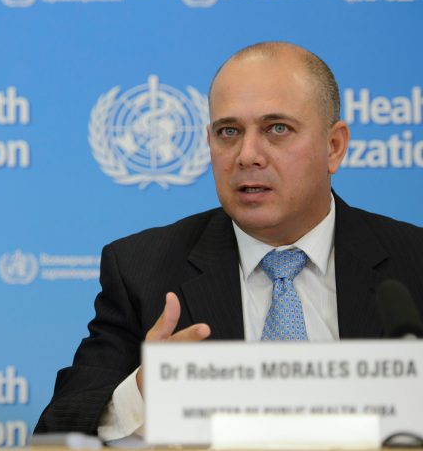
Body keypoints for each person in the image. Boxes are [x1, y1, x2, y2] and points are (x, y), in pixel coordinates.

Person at [35, 41, 423, 440]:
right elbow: (56, 430)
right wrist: (143, 392)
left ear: (334, 146)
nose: (247, 154)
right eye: (229, 132)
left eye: (277, 129)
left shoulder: (414, 265)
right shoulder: (143, 269)